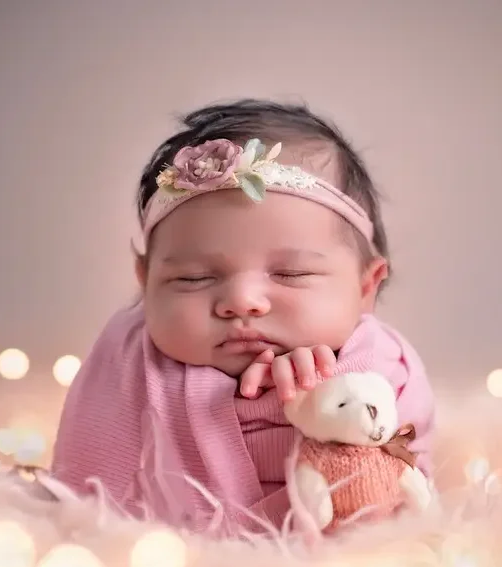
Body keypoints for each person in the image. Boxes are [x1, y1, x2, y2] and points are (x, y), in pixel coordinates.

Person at [49, 99, 436, 534]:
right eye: (193, 278)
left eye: (290, 273)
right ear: (146, 280)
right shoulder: (125, 363)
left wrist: (326, 392)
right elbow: (88, 494)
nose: (242, 300)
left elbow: (388, 483)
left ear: (367, 286)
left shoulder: (383, 369)